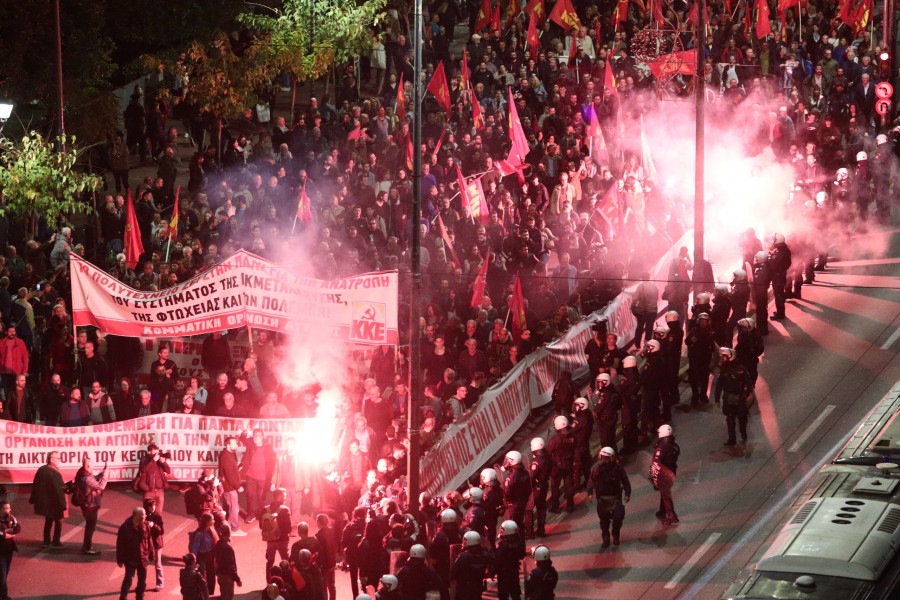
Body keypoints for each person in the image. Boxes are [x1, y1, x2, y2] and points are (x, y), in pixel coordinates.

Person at [586, 447, 631, 548]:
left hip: (615, 498)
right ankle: (606, 537)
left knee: (618, 518)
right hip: (602, 499)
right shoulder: (597, 469)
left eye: (607, 458)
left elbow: (625, 481)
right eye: (603, 457)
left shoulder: (618, 468)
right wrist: (589, 493)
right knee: (604, 521)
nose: (605, 460)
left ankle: (616, 535)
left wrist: (627, 493)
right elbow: (591, 481)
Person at [116, 506, 159, 600]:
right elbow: (120, 545)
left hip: (143, 557)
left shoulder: (145, 525)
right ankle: (123, 597)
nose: (145, 516)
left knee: (142, 581)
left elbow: (149, 540)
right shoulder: (125, 528)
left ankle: (140, 597)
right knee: (128, 579)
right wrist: (120, 560)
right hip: (130, 558)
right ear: (136, 515)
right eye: (143, 514)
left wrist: (151, 554)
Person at [714, 347, 754, 446]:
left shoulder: (741, 369)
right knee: (730, 420)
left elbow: (748, 382)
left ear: (730, 356)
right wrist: (717, 398)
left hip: (740, 398)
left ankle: (743, 432)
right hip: (728, 398)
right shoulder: (723, 370)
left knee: (742, 418)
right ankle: (732, 439)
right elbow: (719, 385)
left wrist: (749, 393)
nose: (723, 359)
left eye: (724, 357)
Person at [29, 450, 66, 549]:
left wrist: (33, 499)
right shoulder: (55, 472)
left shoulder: (41, 469)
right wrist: (63, 504)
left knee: (48, 520)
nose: (60, 460)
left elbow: (35, 485)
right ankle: (56, 541)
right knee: (59, 521)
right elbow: (59, 490)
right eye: (58, 458)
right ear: (52, 459)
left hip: (46, 502)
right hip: (55, 502)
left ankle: (46, 541)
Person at [240, 428, 277, 524]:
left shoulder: (268, 447)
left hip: (263, 478)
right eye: (255, 435)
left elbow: (272, 462)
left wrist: (271, 478)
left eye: (259, 435)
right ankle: (250, 515)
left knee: (261, 498)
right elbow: (242, 438)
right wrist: (244, 432)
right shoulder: (250, 443)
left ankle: (261, 515)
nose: (256, 438)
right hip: (251, 475)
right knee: (250, 496)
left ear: (262, 437)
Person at [76, 456, 107, 555]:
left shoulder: (82, 474)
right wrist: (105, 476)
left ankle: (86, 546)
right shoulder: (87, 478)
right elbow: (101, 486)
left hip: (86, 505)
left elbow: (93, 479)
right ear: (88, 466)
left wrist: (101, 474)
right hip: (90, 506)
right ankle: (87, 547)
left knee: (89, 526)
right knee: (90, 527)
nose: (93, 467)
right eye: (92, 465)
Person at [650, 424, 680, 525]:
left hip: (664, 473)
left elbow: (656, 462)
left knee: (666, 495)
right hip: (672, 471)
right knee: (664, 492)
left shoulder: (662, 447)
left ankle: (672, 516)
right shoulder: (674, 446)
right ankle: (662, 511)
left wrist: (654, 477)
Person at [685, 313, 716, 407]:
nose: (703, 323)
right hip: (694, 358)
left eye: (705, 321)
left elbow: (712, 345)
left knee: (704, 378)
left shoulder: (710, 332)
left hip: (705, 359)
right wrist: (691, 340)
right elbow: (687, 341)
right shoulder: (694, 331)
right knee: (694, 378)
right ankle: (695, 396)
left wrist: (712, 357)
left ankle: (703, 395)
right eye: (702, 321)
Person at [429, 509, 461, 600]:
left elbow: (432, 552)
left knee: (443, 590)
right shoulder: (461, 532)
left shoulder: (440, 536)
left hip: (443, 567)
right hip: (459, 564)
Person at [546, 416, 576, 513]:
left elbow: (548, 452)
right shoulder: (573, 436)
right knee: (569, 484)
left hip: (557, 466)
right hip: (569, 463)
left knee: (555, 486)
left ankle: (555, 506)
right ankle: (570, 505)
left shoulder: (555, 439)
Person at [452, 531, 493, 600]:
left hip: (464, 589)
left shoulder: (463, 556)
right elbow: (493, 565)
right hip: (478, 586)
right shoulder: (486, 555)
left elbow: (454, 572)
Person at [218, 436, 245, 536]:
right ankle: (235, 529)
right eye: (233, 444)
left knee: (231, 507)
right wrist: (238, 486)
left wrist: (236, 468)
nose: (236, 445)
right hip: (230, 487)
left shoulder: (228, 454)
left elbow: (229, 471)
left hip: (229, 486)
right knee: (234, 508)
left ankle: (228, 528)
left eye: (236, 443)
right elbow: (229, 475)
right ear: (227, 445)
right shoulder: (226, 457)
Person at [262, 488, 292, 580]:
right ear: (279, 497)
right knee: (286, 560)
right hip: (282, 540)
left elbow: (261, 525)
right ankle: (287, 579)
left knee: (270, 561)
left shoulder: (265, 509)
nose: (285, 498)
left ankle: (269, 579)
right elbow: (289, 528)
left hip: (270, 540)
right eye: (284, 496)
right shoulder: (285, 510)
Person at [188, 513, 218, 597]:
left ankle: (210, 592)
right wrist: (193, 558)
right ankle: (203, 593)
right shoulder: (199, 534)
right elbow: (195, 547)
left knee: (211, 574)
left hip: (210, 555)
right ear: (207, 522)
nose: (214, 521)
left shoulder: (211, 531)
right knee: (202, 575)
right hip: (201, 557)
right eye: (212, 520)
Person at [494, 521, 526, 600]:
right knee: (515, 593)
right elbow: (521, 555)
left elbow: (497, 560)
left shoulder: (502, 545)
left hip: (503, 573)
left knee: (503, 595)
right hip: (514, 571)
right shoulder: (521, 542)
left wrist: (493, 571)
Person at [136, 443, 171, 513]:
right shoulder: (144, 460)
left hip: (159, 491)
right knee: (148, 512)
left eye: (157, 453)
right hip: (149, 491)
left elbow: (168, 471)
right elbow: (143, 470)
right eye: (155, 453)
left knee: (159, 513)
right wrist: (153, 461)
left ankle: (158, 521)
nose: (156, 455)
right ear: (149, 452)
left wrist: (163, 462)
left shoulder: (159, 461)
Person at [526, 437, 551, 538]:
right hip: (544, 485)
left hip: (536, 488)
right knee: (542, 508)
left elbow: (532, 476)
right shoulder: (548, 456)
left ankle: (530, 532)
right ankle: (541, 529)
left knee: (529, 509)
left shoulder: (536, 462)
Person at [501, 450, 531, 530]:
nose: (506, 463)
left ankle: (520, 537)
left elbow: (507, 492)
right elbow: (528, 489)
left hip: (513, 505)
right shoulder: (525, 472)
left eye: (507, 460)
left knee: (513, 526)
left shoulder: (511, 477)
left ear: (512, 461)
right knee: (519, 522)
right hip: (522, 502)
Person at [341, 506, 367, 598]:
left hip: (351, 555)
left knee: (353, 577)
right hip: (364, 555)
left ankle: (355, 596)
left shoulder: (349, 526)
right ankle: (365, 594)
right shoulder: (366, 525)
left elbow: (344, 542)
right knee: (364, 575)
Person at [214, 524, 242, 600]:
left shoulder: (218, 543)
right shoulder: (228, 547)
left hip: (220, 575)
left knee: (223, 595)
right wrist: (237, 579)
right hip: (228, 576)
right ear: (229, 533)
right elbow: (230, 565)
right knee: (228, 597)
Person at [768, 233, 792, 321]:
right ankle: (780, 311)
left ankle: (780, 314)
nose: (773, 241)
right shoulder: (785, 249)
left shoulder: (779, 252)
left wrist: (770, 255)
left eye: (774, 240)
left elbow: (772, 263)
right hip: (781, 275)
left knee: (778, 295)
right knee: (779, 294)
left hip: (778, 276)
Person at [0, 500, 21, 600]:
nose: (10, 509)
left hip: (9, 550)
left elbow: (18, 528)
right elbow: (2, 535)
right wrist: (10, 533)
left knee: (5, 573)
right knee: (3, 575)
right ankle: (4, 596)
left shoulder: (11, 517)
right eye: (7, 508)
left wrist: (7, 531)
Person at [145, 497, 165, 592]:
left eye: (153, 506)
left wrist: (154, 525)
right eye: (150, 506)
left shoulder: (157, 517)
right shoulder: (144, 516)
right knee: (143, 564)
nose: (152, 508)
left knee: (158, 564)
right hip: (147, 543)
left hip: (157, 543)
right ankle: (142, 583)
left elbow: (162, 531)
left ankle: (160, 583)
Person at [751, 251, 772, 336]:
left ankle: (761, 330)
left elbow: (756, 281)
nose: (756, 260)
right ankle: (763, 329)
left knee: (761, 311)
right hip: (762, 291)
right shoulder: (766, 267)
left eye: (757, 258)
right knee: (762, 310)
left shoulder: (761, 270)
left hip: (760, 293)